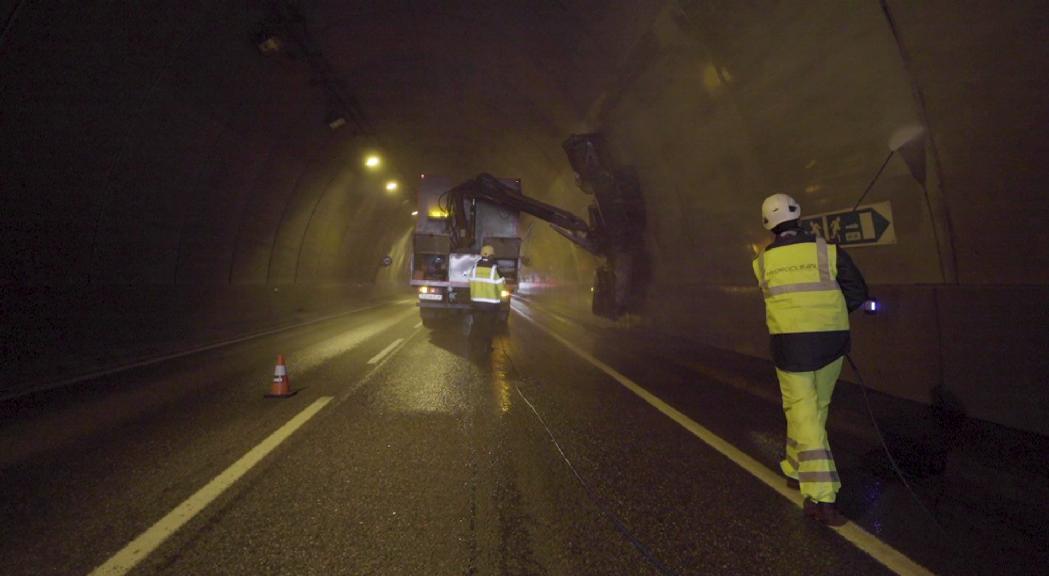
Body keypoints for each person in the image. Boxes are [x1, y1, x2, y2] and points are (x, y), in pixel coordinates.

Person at [752, 194, 869, 527]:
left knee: (804, 414)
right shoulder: (827, 251)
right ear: (798, 214)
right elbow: (858, 292)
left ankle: (822, 495)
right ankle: (794, 467)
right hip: (832, 343)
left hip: (792, 348)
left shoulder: (761, 262)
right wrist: (829, 315)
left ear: (767, 225)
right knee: (814, 411)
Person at [467, 244, 504, 339]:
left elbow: (470, 282)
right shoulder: (495, 269)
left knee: (476, 325)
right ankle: (486, 346)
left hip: (476, 303)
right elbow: (501, 288)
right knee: (488, 327)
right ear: (492, 255)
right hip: (491, 305)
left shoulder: (474, 268)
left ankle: (473, 344)